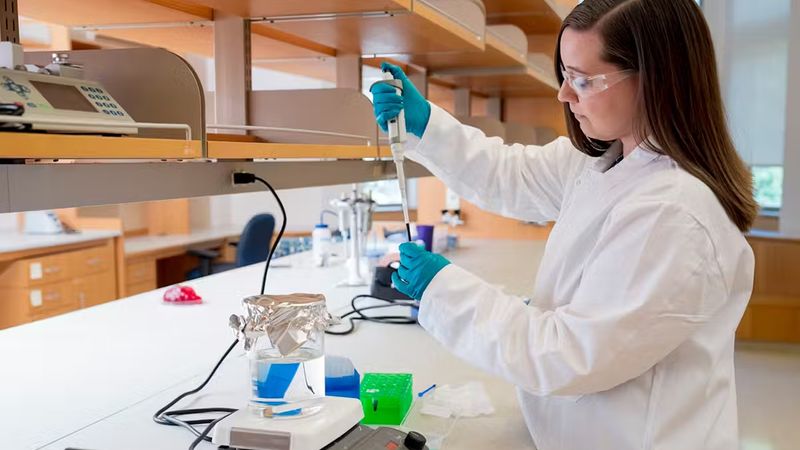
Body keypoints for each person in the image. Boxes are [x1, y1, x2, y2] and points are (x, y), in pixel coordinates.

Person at [369, 0, 757, 449]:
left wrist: (442, 289)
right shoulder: (609, 157)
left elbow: (568, 355)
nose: (565, 95)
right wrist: (428, 127)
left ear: (655, 79)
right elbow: (510, 174)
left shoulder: (673, 215)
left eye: (583, 80)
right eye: (565, 75)